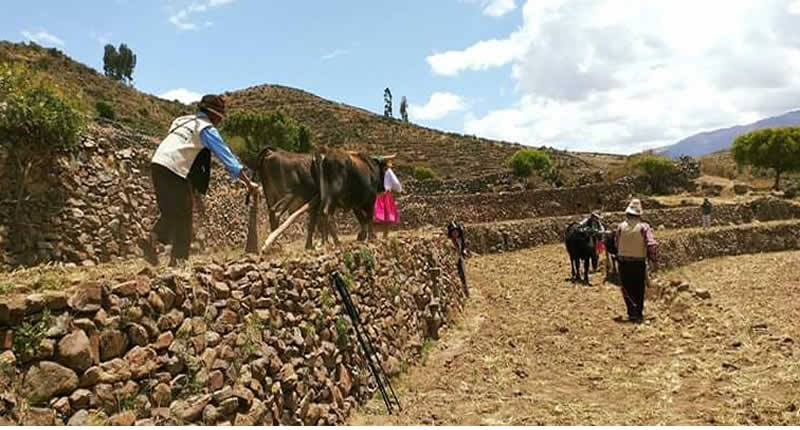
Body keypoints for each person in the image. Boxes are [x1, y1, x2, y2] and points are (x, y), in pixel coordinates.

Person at [138, 94, 258, 267]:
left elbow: (184, 147)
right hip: (174, 168)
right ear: (212, 114)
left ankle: (151, 239)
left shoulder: (180, 120)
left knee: (171, 212)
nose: (220, 121)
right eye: (220, 117)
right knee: (184, 219)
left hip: (157, 163)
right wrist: (249, 183)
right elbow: (228, 158)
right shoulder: (207, 129)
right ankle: (178, 264)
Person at [614, 199, 658, 323]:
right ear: (639, 214)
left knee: (626, 287)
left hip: (623, 261)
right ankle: (638, 313)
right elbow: (651, 244)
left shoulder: (620, 227)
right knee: (638, 287)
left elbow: (616, 243)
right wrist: (653, 260)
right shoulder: (644, 227)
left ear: (627, 214)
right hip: (638, 262)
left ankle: (631, 312)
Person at [373, 156, 402, 239]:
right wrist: (399, 190)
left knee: (374, 214)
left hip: (376, 194)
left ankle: (372, 233)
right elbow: (396, 183)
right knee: (386, 216)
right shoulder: (388, 171)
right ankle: (385, 235)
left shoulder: (374, 171)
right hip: (385, 195)